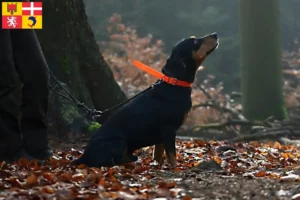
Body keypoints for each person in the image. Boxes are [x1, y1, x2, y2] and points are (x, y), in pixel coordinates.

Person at [0, 28, 53, 162]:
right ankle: (9, 149)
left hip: (15, 7)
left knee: (39, 74)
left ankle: (37, 146)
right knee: (5, 78)